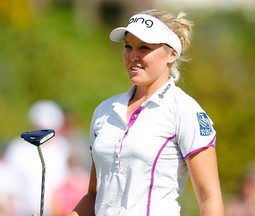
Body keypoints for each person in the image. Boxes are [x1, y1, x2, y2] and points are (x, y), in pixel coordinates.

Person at [70, 9, 224, 216]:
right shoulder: (104, 111)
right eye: (128, 46)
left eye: (144, 47)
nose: (133, 56)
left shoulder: (185, 110)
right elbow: (94, 195)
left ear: (172, 54)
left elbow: (210, 198)